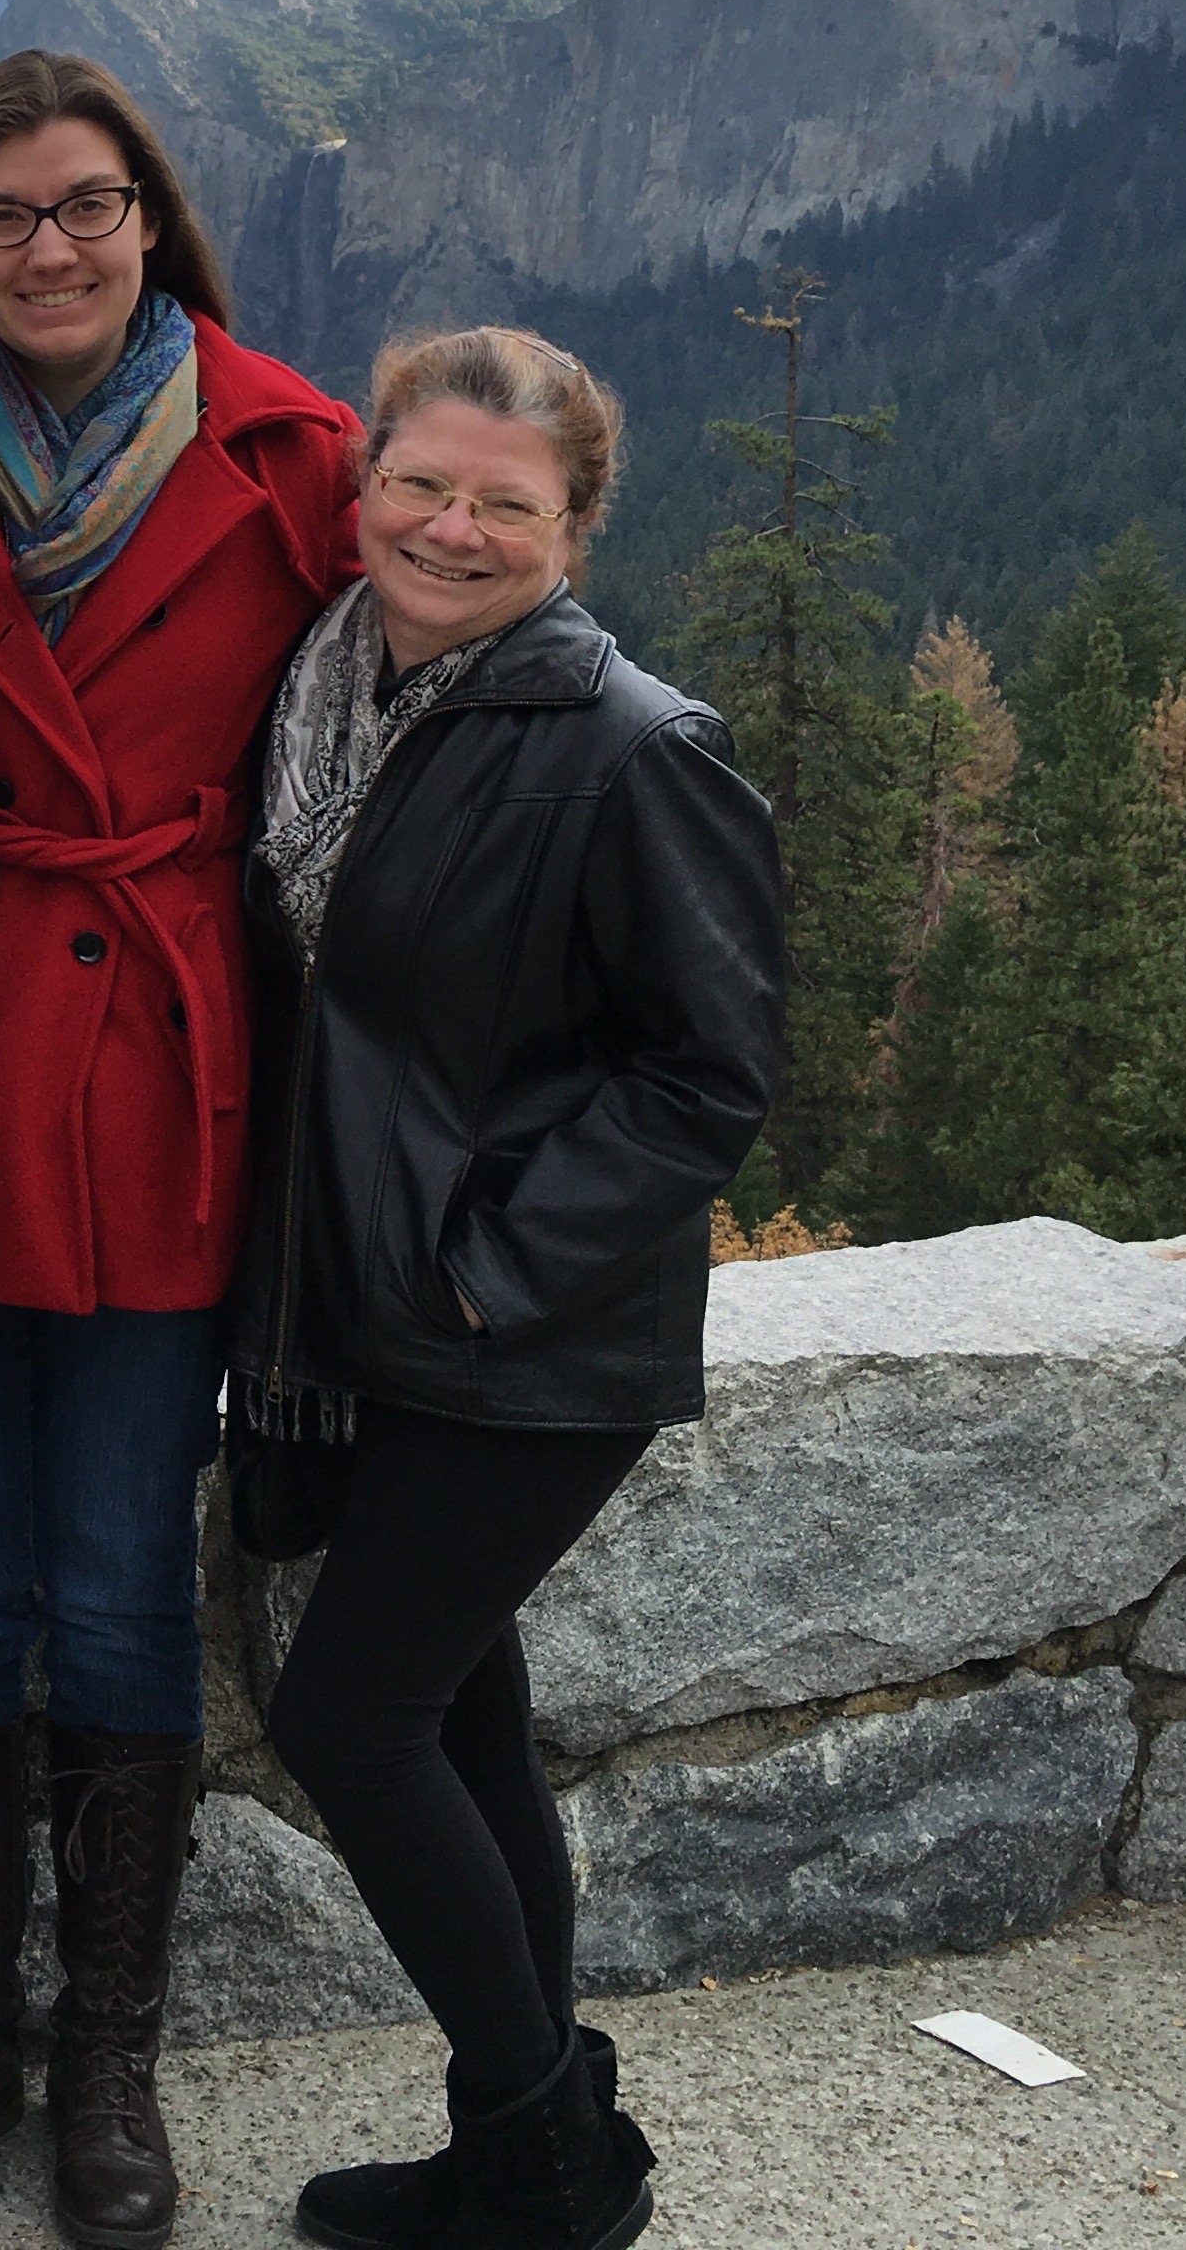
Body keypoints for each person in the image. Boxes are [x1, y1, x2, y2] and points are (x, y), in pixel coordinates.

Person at [0, 49, 364, 2246]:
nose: (52, 247)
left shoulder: (297, 455)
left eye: (91, 206)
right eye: (7, 214)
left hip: (163, 1070)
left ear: (155, 217)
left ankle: (108, 2059)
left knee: (127, 1576)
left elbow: (413, 721)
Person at [227, 327, 784, 2250]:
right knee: (457, 1717)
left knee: (353, 1722)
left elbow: (705, 1072)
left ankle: (544, 2163)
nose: (452, 529)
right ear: (361, 482)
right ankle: (520, 2145)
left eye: (505, 505)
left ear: (577, 528)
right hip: (367, 1312)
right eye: (420, 486)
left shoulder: (631, 747)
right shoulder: (327, 688)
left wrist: (484, 1273)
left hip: (520, 1338)